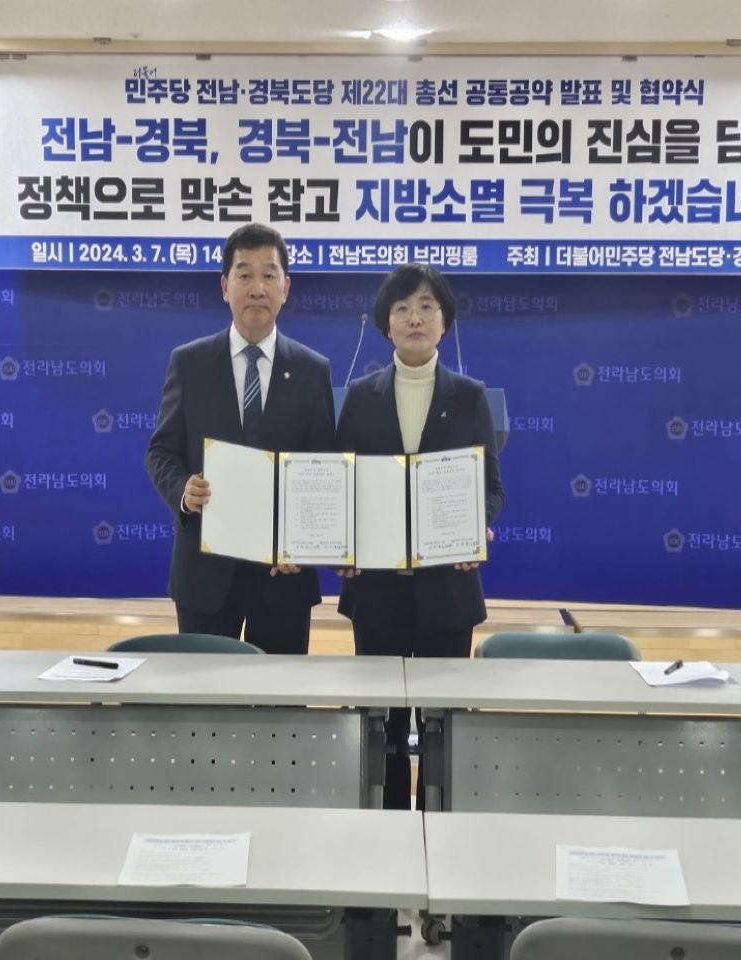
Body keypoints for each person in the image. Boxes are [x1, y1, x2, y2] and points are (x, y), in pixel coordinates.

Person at [336, 262, 505, 808]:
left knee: (443, 723)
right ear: (386, 323)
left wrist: (478, 526)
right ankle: (385, 826)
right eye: (403, 308)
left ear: (444, 322)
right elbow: (342, 485)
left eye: (427, 307)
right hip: (376, 590)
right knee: (381, 726)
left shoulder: (470, 396)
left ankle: (441, 824)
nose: (415, 318)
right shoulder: (360, 396)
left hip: (446, 590)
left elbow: (490, 487)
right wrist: (342, 543)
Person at [145, 223, 335, 654]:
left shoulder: (312, 370)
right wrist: (182, 490)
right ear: (224, 286)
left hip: (283, 576)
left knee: (281, 697)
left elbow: (323, 467)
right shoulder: (190, 363)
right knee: (205, 692)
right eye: (244, 274)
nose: (257, 288)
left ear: (286, 288)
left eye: (269, 275)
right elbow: (161, 451)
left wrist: (304, 543)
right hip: (205, 574)